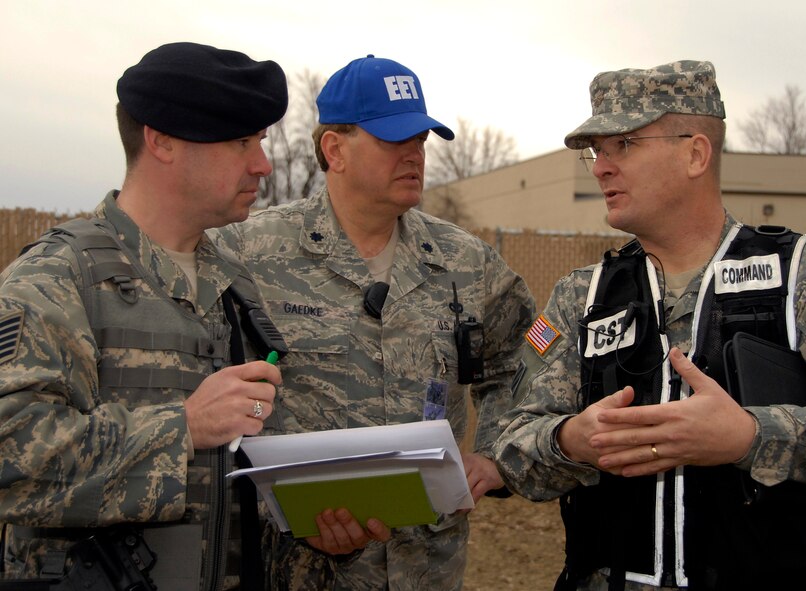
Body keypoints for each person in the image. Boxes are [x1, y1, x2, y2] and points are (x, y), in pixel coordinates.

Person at [493, 60, 806, 591]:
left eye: (624, 144)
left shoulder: (803, 274)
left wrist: (751, 437)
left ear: (695, 153)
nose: (600, 167)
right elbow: (511, 446)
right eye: (596, 151)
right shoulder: (582, 295)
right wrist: (571, 441)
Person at [212, 54, 536, 590]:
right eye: (394, 139)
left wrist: (497, 453)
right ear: (334, 149)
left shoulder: (465, 264)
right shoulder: (248, 254)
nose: (414, 154)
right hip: (291, 570)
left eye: (421, 140)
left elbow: (529, 360)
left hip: (427, 568)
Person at [0, 42, 288, 590]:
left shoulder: (235, 284)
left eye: (261, 141)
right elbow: (10, 460)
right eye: (240, 141)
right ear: (161, 141)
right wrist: (181, 429)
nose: (263, 165)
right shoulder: (57, 279)